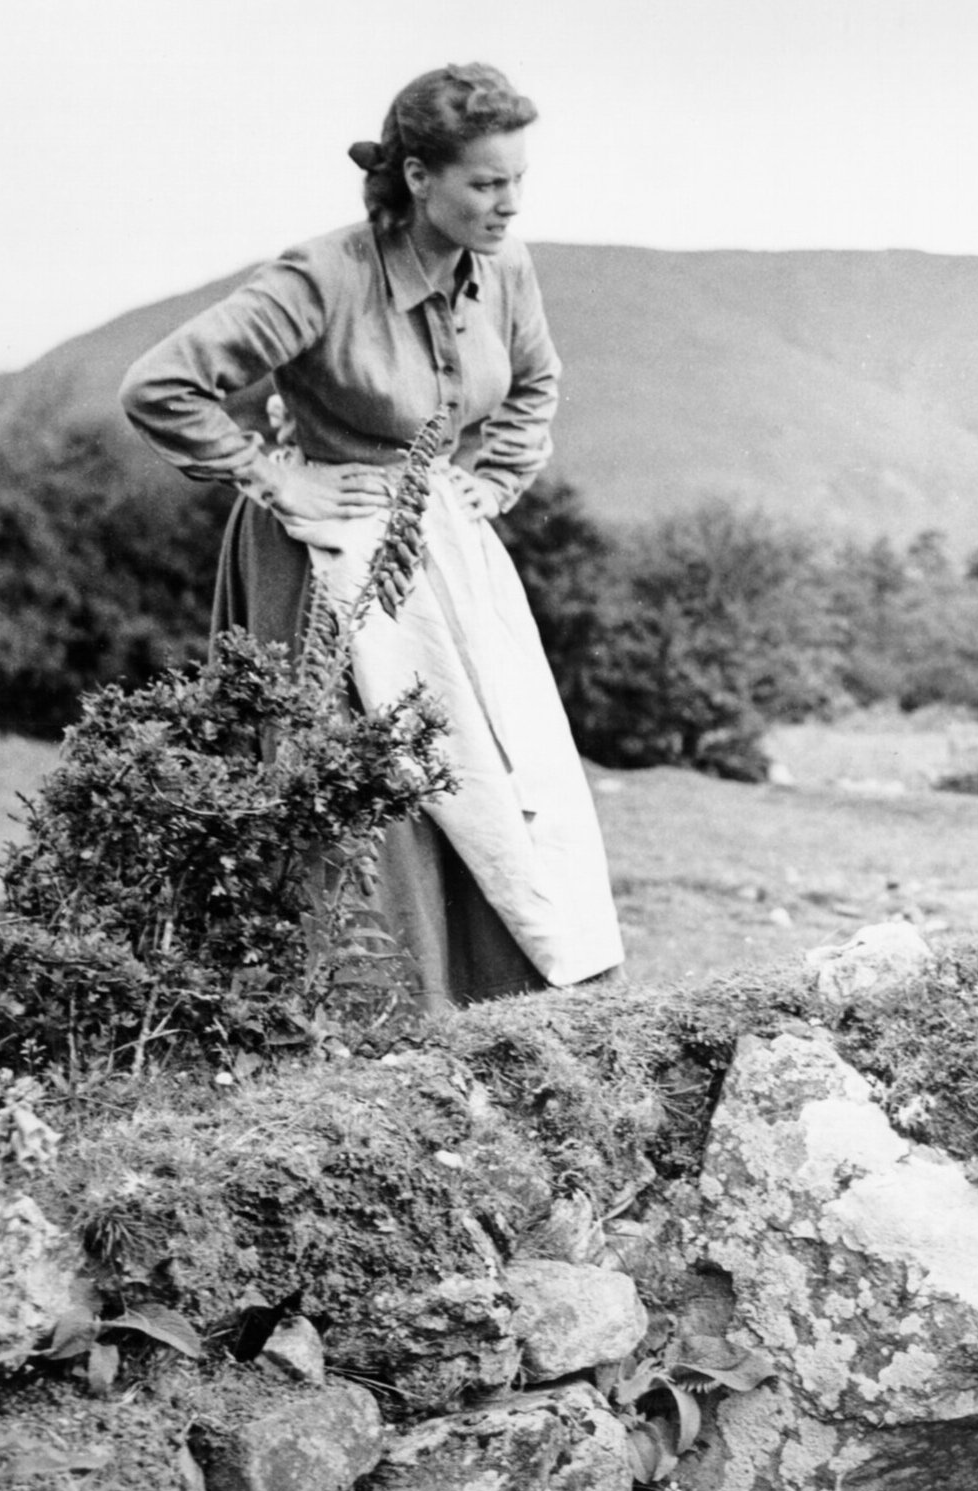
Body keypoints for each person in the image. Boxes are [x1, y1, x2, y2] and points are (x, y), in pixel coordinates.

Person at [121, 62, 623, 1011]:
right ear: (418, 177)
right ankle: (364, 1015)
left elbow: (533, 383)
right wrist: (274, 472)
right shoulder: (321, 276)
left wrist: (496, 478)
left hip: (447, 560)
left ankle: (491, 1007)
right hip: (323, 560)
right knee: (363, 787)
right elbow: (160, 386)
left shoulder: (506, 268)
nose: (508, 202)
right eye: (485, 182)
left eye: (517, 179)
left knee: (478, 770)